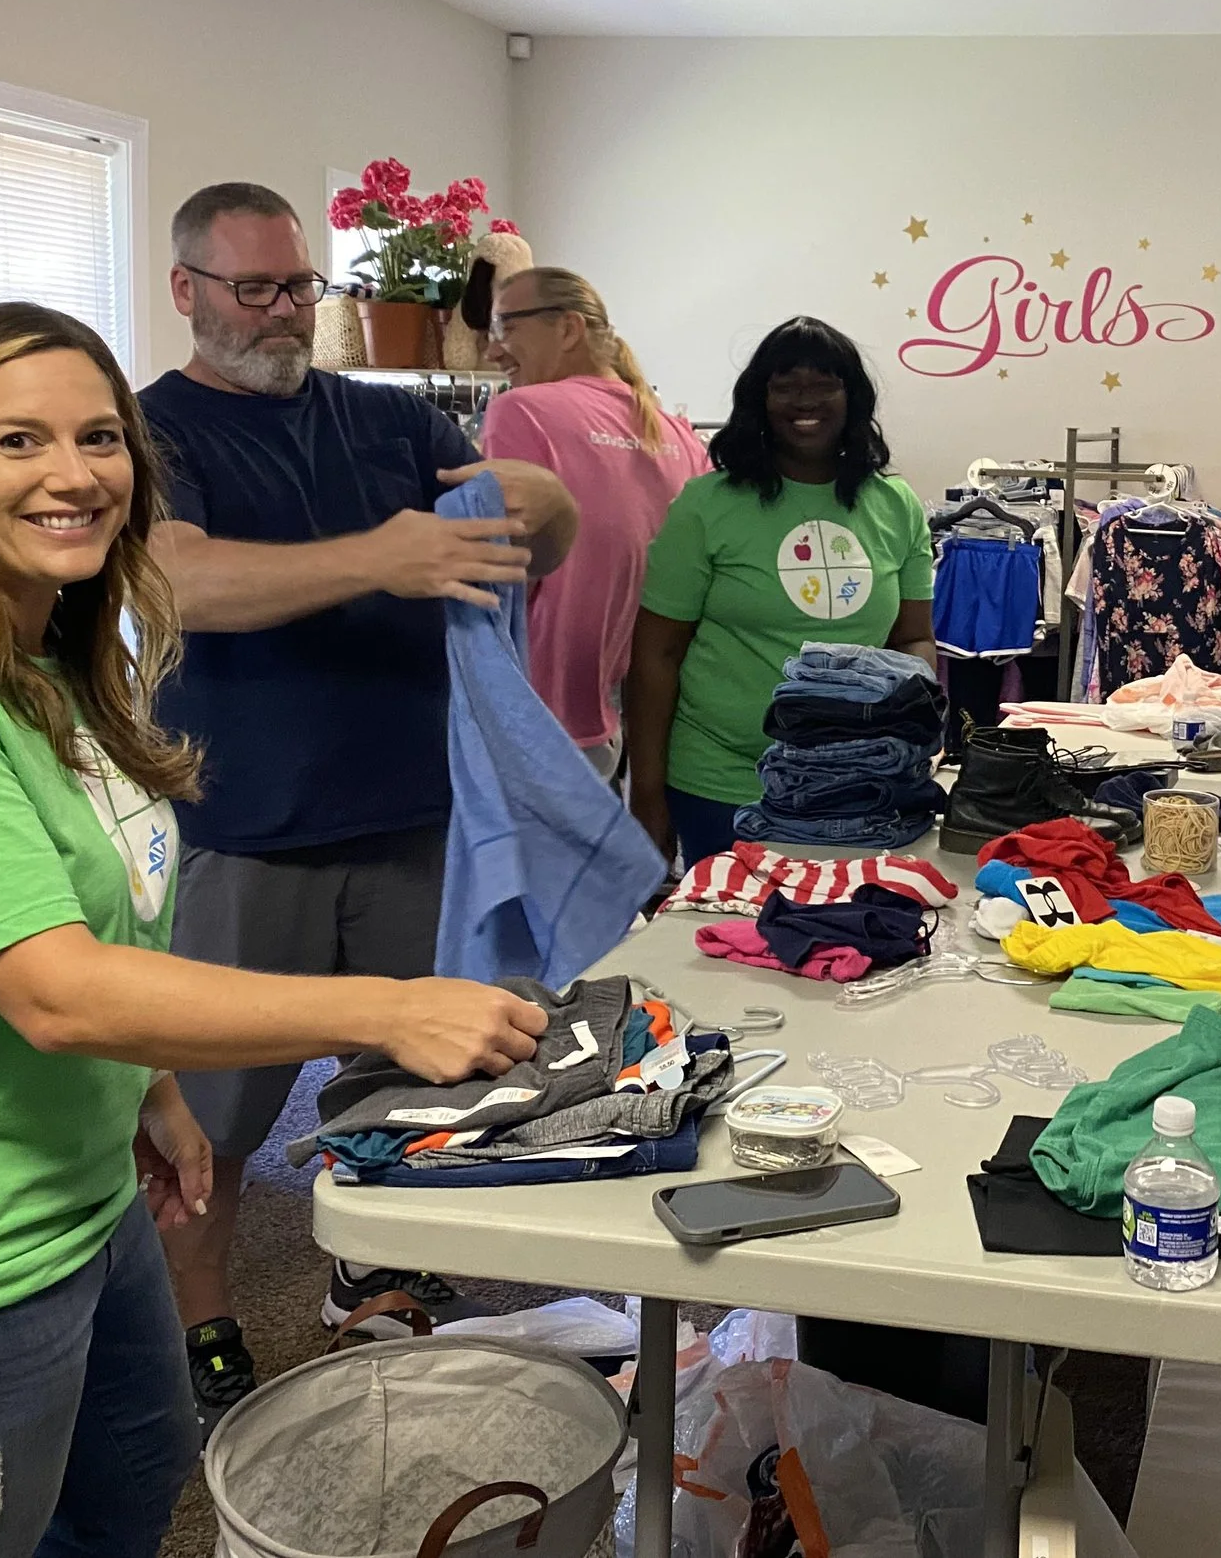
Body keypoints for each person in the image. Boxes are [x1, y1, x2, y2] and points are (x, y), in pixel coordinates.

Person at [0, 306, 550, 1556]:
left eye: (99, 438)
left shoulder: (41, 655)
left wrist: (149, 1085)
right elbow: (54, 991)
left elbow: (85, 908)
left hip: (74, 1208)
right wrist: (389, 1008)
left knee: (131, 1487)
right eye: (18, 440)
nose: (74, 473)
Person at [140, 183, 579, 1426]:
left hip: (411, 822)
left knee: (409, 1084)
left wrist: (539, 507)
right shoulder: (151, 429)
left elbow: (533, 532)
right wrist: (382, 556)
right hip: (245, 831)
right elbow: (179, 582)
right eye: (254, 290)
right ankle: (200, 1323)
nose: (283, 313)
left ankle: (376, 1278)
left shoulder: (387, 419)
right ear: (187, 290)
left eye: (300, 287)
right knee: (215, 1116)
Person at [627, 317, 936, 865]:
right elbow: (656, 654)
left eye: (824, 384)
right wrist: (646, 794)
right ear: (759, 399)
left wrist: (908, 727)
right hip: (722, 783)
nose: (805, 400)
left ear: (852, 397)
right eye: (785, 385)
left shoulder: (897, 505)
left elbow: (913, 639)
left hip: (856, 787)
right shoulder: (706, 505)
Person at [477, 259, 709, 780]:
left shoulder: (521, 410)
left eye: (505, 327)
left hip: (546, 713)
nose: (493, 350)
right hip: (651, 713)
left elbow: (505, 572)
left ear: (568, 328)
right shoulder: (679, 435)